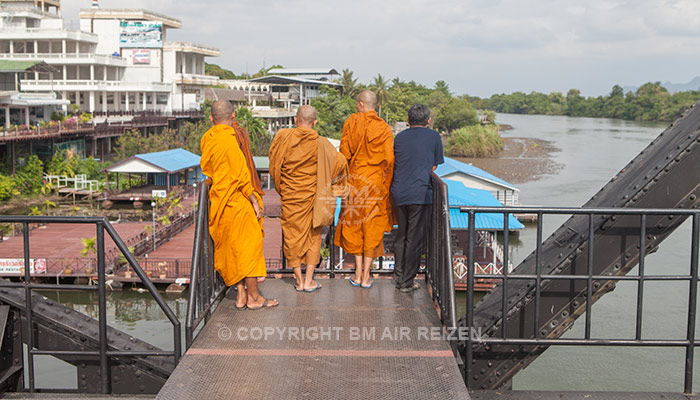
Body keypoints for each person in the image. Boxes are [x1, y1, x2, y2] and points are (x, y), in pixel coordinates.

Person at [200, 100, 278, 310]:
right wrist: (254, 200)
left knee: (232, 250)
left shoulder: (209, 139)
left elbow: (208, 168)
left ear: (211, 119)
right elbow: (241, 175)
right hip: (237, 202)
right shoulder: (229, 141)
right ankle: (254, 298)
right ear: (233, 116)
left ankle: (241, 295)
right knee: (248, 250)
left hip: (220, 200)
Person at [269, 105, 348, 292]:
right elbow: (340, 162)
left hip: (291, 197)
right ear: (315, 122)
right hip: (314, 198)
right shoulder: (323, 143)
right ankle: (309, 280)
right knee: (314, 237)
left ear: (296, 120)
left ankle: (298, 279)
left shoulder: (283, 138)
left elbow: (274, 165)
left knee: (291, 237)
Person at [334, 90, 394, 289]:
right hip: (374, 184)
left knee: (354, 226)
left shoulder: (352, 122)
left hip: (355, 182)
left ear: (361, 104)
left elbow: (344, 154)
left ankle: (357, 273)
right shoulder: (384, 128)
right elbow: (389, 159)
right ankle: (367, 276)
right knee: (371, 227)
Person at [391, 104, 444, 293]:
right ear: (428, 120)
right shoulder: (434, 137)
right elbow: (434, 166)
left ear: (408, 120)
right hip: (420, 193)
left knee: (401, 234)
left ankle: (398, 275)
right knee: (415, 238)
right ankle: (406, 281)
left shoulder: (399, 137)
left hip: (398, 191)